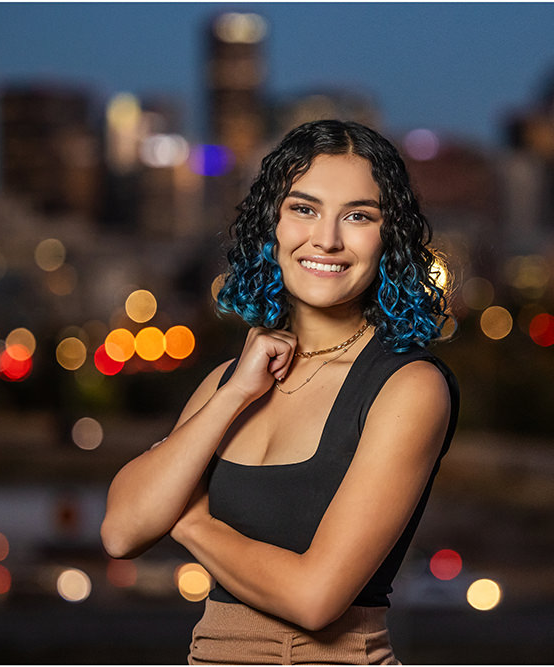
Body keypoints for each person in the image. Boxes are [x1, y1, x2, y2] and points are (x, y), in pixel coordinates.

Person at [101, 119, 460, 665]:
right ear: (272, 222)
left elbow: (315, 599)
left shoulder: (408, 387)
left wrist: (190, 521)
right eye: (304, 208)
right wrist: (233, 394)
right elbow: (122, 531)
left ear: (390, 238)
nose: (328, 239)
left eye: (359, 216)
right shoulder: (229, 381)